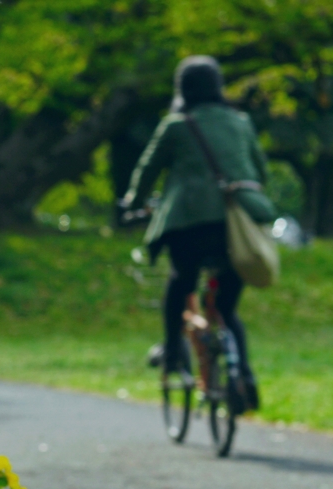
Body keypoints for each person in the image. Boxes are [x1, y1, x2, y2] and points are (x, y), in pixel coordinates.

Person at [120, 56, 277, 410]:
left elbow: (148, 168)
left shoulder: (177, 125)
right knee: (227, 308)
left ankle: (173, 352)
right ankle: (243, 376)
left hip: (189, 224)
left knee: (181, 282)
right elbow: (261, 171)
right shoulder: (241, 122)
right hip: (235, 226)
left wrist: (133, 202)